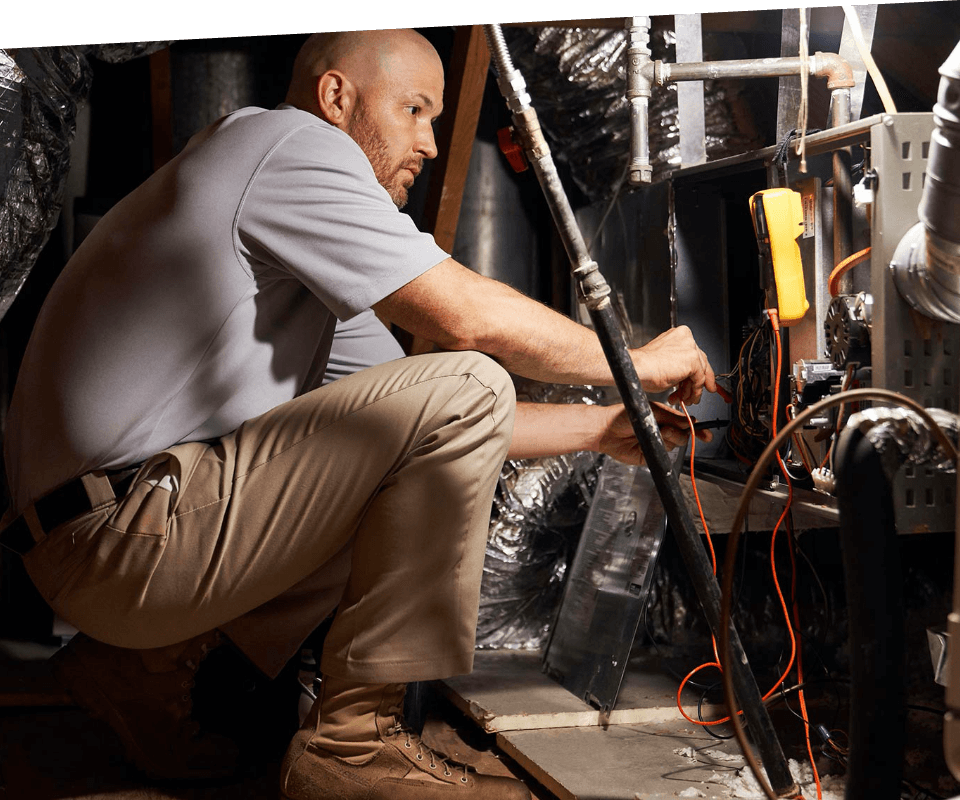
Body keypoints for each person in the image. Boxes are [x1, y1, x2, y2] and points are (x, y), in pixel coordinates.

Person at [1, 29, 715, 800]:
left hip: (104, 541)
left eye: (435, 119)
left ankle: (137, 670)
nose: (430, 143)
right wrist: (635, 363)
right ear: (336, 97)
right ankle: (355, 746)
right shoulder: (287, 143)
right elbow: (465, 327)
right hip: (120, 535)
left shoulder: (294, 250)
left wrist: (602, 430)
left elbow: (433, 429)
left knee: (425, 418)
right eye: (413, 110)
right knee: (467, 375)